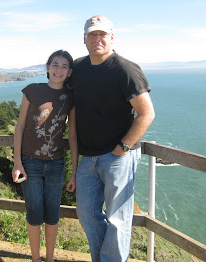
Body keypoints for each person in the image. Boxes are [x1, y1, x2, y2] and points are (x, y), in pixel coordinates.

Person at [70, 15, 155, 262]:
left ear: (111, 37)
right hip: (88, 156)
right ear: (84, 39)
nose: (97, 39)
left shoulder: (125, 69)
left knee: (118, 218)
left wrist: (123, 147)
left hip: (118, 156)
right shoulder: (78, 69)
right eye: (92, 34)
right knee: (86, 213)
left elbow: (147, 113)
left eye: (102, 34)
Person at [12, 50, 78, 262]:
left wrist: (74, 172)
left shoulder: (70, 97)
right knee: (33, 214)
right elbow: (20, 126)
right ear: (47, 67)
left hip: (56, 164)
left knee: (52, 215)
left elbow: (73, 137)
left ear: (69, 72)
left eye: (64, 66)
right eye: (55, 65)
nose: (59, 70)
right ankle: (35, 259)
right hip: (29, 162)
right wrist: (17, 163)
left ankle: (49, 259)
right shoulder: (32, 90)